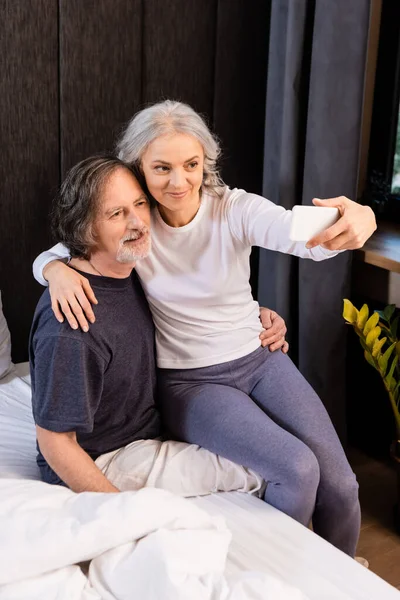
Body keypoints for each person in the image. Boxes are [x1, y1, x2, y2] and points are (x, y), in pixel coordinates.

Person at [33, 100, 377, 557]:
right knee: (296, 469)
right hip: (191, 381)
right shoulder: (136, 223)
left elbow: (302, 234)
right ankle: (272, 571)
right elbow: (65, 249)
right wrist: (53, 271)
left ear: (205, 162)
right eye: (161, 168)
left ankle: (340, 577)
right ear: (139, 168)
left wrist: (361, 218)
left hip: (259, 357)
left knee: (342, 484)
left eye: (191, 164)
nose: (179, 182)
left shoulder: (232, 209)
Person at [29, 154, 273, 495]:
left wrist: (256, 314)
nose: (139, 223)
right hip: (105, 458)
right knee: (264, 469)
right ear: (84, 228)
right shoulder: (72, 327)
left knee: (274, 441)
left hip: (150, 425)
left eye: (140, 204)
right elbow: (56, 443)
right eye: (116, 214)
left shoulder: (131, 268)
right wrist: (123, 512)